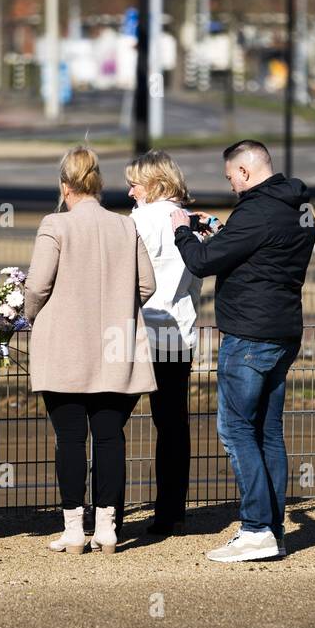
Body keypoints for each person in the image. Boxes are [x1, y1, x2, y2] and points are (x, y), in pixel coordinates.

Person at [172, 140, 314, 562]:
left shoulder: (255, 211)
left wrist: (183, 229)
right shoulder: (299, 207)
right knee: (268, 432)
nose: (231, 184)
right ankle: (273, 530)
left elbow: (201, 262)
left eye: (231, 176)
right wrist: (218, 228)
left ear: (246, 171)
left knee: (236, 431)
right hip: (284, 330)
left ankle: (255, 529)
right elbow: (259, 251)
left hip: (249, 336)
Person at [24, 147, 157, 554]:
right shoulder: (124, 226)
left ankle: (73, 530)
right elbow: (147, 285)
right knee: (109, 438)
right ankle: (108, 528)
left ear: (65, 187)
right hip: (116, 347)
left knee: (69, 439)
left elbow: (37, 286)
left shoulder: (55, 224)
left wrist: (31, 316)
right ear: (97, 184)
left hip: (65, 346)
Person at [125, 151, 202, 536]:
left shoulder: (139, 220)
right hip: (178, 331)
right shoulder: (190, 221)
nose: (130, 191)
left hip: (137, 331)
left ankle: (109, 510)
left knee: (111, 422)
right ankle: (171, 511)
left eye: (135, 183)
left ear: (154, 183)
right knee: (172, 426)